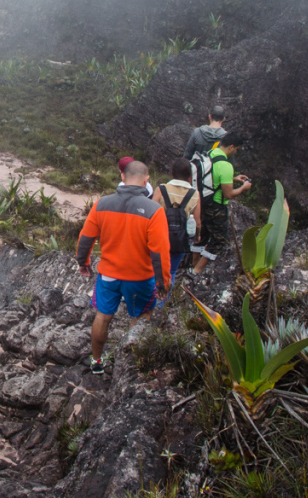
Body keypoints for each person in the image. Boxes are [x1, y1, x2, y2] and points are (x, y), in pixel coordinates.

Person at [76, 160, 170, 374]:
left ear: (123, 177)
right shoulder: (154, 210)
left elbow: (85, 239)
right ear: (146, 180)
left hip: (108, 275)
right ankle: (128, 366)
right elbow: (159, 252)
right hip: (140, 278)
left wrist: (84, 262)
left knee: (103, 315)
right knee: (141, 316)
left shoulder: (102, 204)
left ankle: (97, 362)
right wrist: (162, 283)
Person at [190, 133, 251, 276]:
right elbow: (228, 194)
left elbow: (211, 176)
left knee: (202, 235)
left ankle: (193, 264)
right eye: (236, 149)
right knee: (219, 240)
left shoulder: (210, 154)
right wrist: (243, 188)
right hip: (216, 206)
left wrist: (234, 178)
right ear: (231, 147)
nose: (235, 152)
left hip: (202, 201)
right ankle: (197, 270)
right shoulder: (225, 165)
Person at [152, 158, 200, 287]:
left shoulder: (161, 189)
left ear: (172, 172)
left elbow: (150, 213)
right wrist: (197, 237)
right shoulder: (195, 194)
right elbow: (197, 222)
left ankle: (150, 300)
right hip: (180, 240)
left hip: (159, 238)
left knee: (153, 271)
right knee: (171, 272)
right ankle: (162, 304)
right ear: (190, 176)